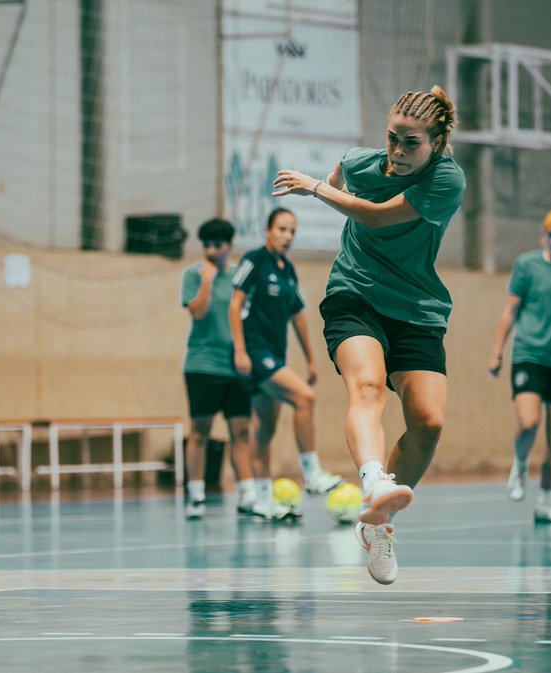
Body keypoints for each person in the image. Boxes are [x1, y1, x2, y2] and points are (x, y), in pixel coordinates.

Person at [272, 85, 465, 584]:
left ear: (438, 143)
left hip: (417, 307)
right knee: (368, 386)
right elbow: (346, 172)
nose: (397, 153)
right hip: (354, 294)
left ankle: (379, 524)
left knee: (428, 421)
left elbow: (377, 216)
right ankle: (373, 479)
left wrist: (317, 187)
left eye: (411, 144)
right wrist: (334, 181)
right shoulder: (362, 163)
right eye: (392, 139)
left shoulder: (447, 181)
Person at [229, 207, 344, 522]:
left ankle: (264, 501)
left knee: (264, 430)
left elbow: (298, 316)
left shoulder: (288, 270)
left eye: (292, 231)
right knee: (304, 397)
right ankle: (312, 473)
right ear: (268, 231)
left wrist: (310, 357)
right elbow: (235, 303)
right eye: (282, 229)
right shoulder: (254, 261)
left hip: (275, 355)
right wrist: (240, 350)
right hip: (254, 352)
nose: (287, 236)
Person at [488, 205, 551, 524]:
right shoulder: (526, 266)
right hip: (529, 355)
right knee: (529, 423)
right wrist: (497, 351)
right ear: (544, 236)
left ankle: (545, 502)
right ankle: (520, 462)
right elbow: (510, 311)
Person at [180, 218, 255, 519]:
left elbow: (247, 318)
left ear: (229, 246)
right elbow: (197, 313)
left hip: (236, 366)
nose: (211, 250)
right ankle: (195, 494)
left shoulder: (239, 276)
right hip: (202, 365)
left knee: (240, 430)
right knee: (200, 431)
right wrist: (208, 281)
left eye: (217, 245)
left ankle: (247, 494)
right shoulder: (193, 274)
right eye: (207, 245)